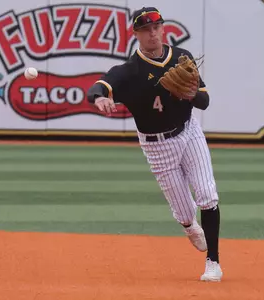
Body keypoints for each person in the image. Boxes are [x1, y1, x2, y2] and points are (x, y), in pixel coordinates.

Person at [86, 6, 222, 282]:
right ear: (136, 34)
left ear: (163, 28)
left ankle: (213, 263)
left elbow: (205, 102)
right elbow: (97, 87)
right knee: (184, 212)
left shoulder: (181, 57)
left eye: (156, 27)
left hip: (189, 131)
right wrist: (100, 98)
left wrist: (192, 93)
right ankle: (189, 225)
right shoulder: (129, 71)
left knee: (208, 195)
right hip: (156, 145)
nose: (153, 33)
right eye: (145, 29)